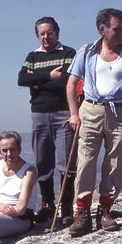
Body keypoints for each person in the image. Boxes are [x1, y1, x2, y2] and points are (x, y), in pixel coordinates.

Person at [65, 8, 122, 237]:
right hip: (90, 109)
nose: (121, 32)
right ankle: (82, 212)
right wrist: (74, 114)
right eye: (116, 28)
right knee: (86, 161)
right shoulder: (87, 52)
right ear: (102, 29)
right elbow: (72, 83)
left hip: (119, 112)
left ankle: (105, 209)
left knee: (115, 162)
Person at [17, 16, 77, 224]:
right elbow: (22, 79)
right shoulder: (32, 56)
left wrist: (37, 81)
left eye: (50, 32)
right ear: (37, 35)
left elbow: (66, 81)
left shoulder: (68, 53)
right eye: (41, 33)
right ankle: (48, 204)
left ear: (57, 33)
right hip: (39, 114)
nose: (46, 37)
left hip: (63, 113)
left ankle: (66, 206)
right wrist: (49, 76)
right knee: (43, 160)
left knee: (66, 162)